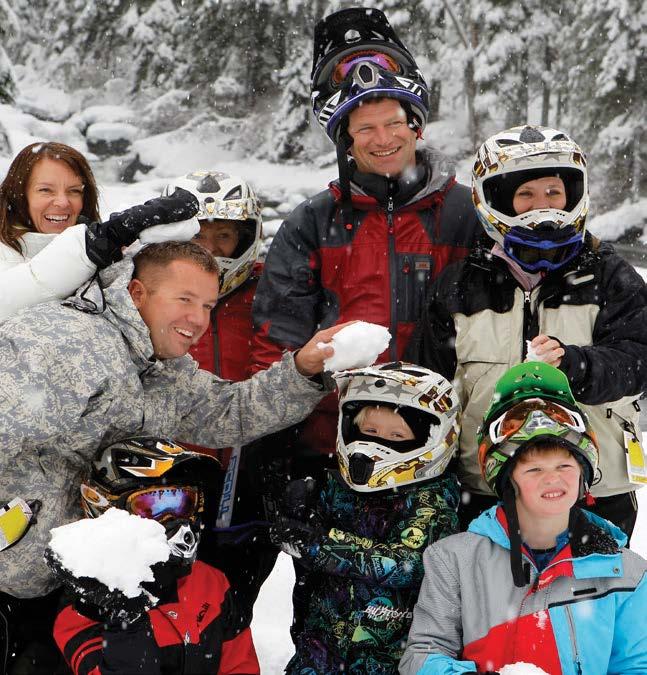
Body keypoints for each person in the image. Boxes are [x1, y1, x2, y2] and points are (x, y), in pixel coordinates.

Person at [0, 239, 346, 605]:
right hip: (15, 583)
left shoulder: (161, 367)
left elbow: (231, 411)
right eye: (184, 299)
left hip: (86, 577)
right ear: (137, 293)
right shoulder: (65, 344)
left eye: (207, 306)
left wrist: (303, 369)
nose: (198, 319)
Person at [251, 6, 481, 489]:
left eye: (394, 122)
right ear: (345, 140)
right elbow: (277, 341)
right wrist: (274, 448)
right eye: (365, 129)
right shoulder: (312, 223)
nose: (383, 139)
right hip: (337, 449)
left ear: (416, 124)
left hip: (450, 448)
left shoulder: (469, 214)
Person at [406, 124, 647, 535]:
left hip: (594, 487)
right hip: (484, 486)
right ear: (497, 200)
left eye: (553, 192)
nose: (543, 205)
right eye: (526, 195)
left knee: (593, 579)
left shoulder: (611, 276)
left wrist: (576, 366)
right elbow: (429, 381)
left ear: (574, 194)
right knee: (485, 579)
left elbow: (638, 362)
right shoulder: (459, 285)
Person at [399, 362, 647, 674]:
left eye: (564, 466)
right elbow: (422, 656)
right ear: (507, 481)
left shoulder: (628, 572)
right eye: (534, 469)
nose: (552, 479)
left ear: (583, 474)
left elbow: (636, 665)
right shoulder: (455, 560)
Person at [269, 362, 461, 674]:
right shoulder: (338, 487)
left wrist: (322, 545)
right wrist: (298, 514)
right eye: (369, 432)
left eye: (396, 435)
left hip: (388, 659)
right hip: (319, 651)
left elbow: (407, 563)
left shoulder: (431, 499)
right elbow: (307, 555)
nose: (376, 444)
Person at [165, 169, 276, 625]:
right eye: (196, 236)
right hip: (171, 472)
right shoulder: (149, 293)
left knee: (230, 606)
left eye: (223, 236)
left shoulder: (270, 290)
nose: (208, 249)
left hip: (245, 469)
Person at [50, 437, 260, 675]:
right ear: (107, 511)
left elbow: (241, 667)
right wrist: (127, 619)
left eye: (183, 503)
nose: (175, 520)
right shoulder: (81, 609)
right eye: (151, 507)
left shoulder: (211, 583)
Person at [0, 141, 200, 320]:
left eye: (74, 191)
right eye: (45, 190)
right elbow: (13, 295)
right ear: (19, 196)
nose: (62, 202)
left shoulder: (103, 255)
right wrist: (96, 243)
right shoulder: (6, 253)